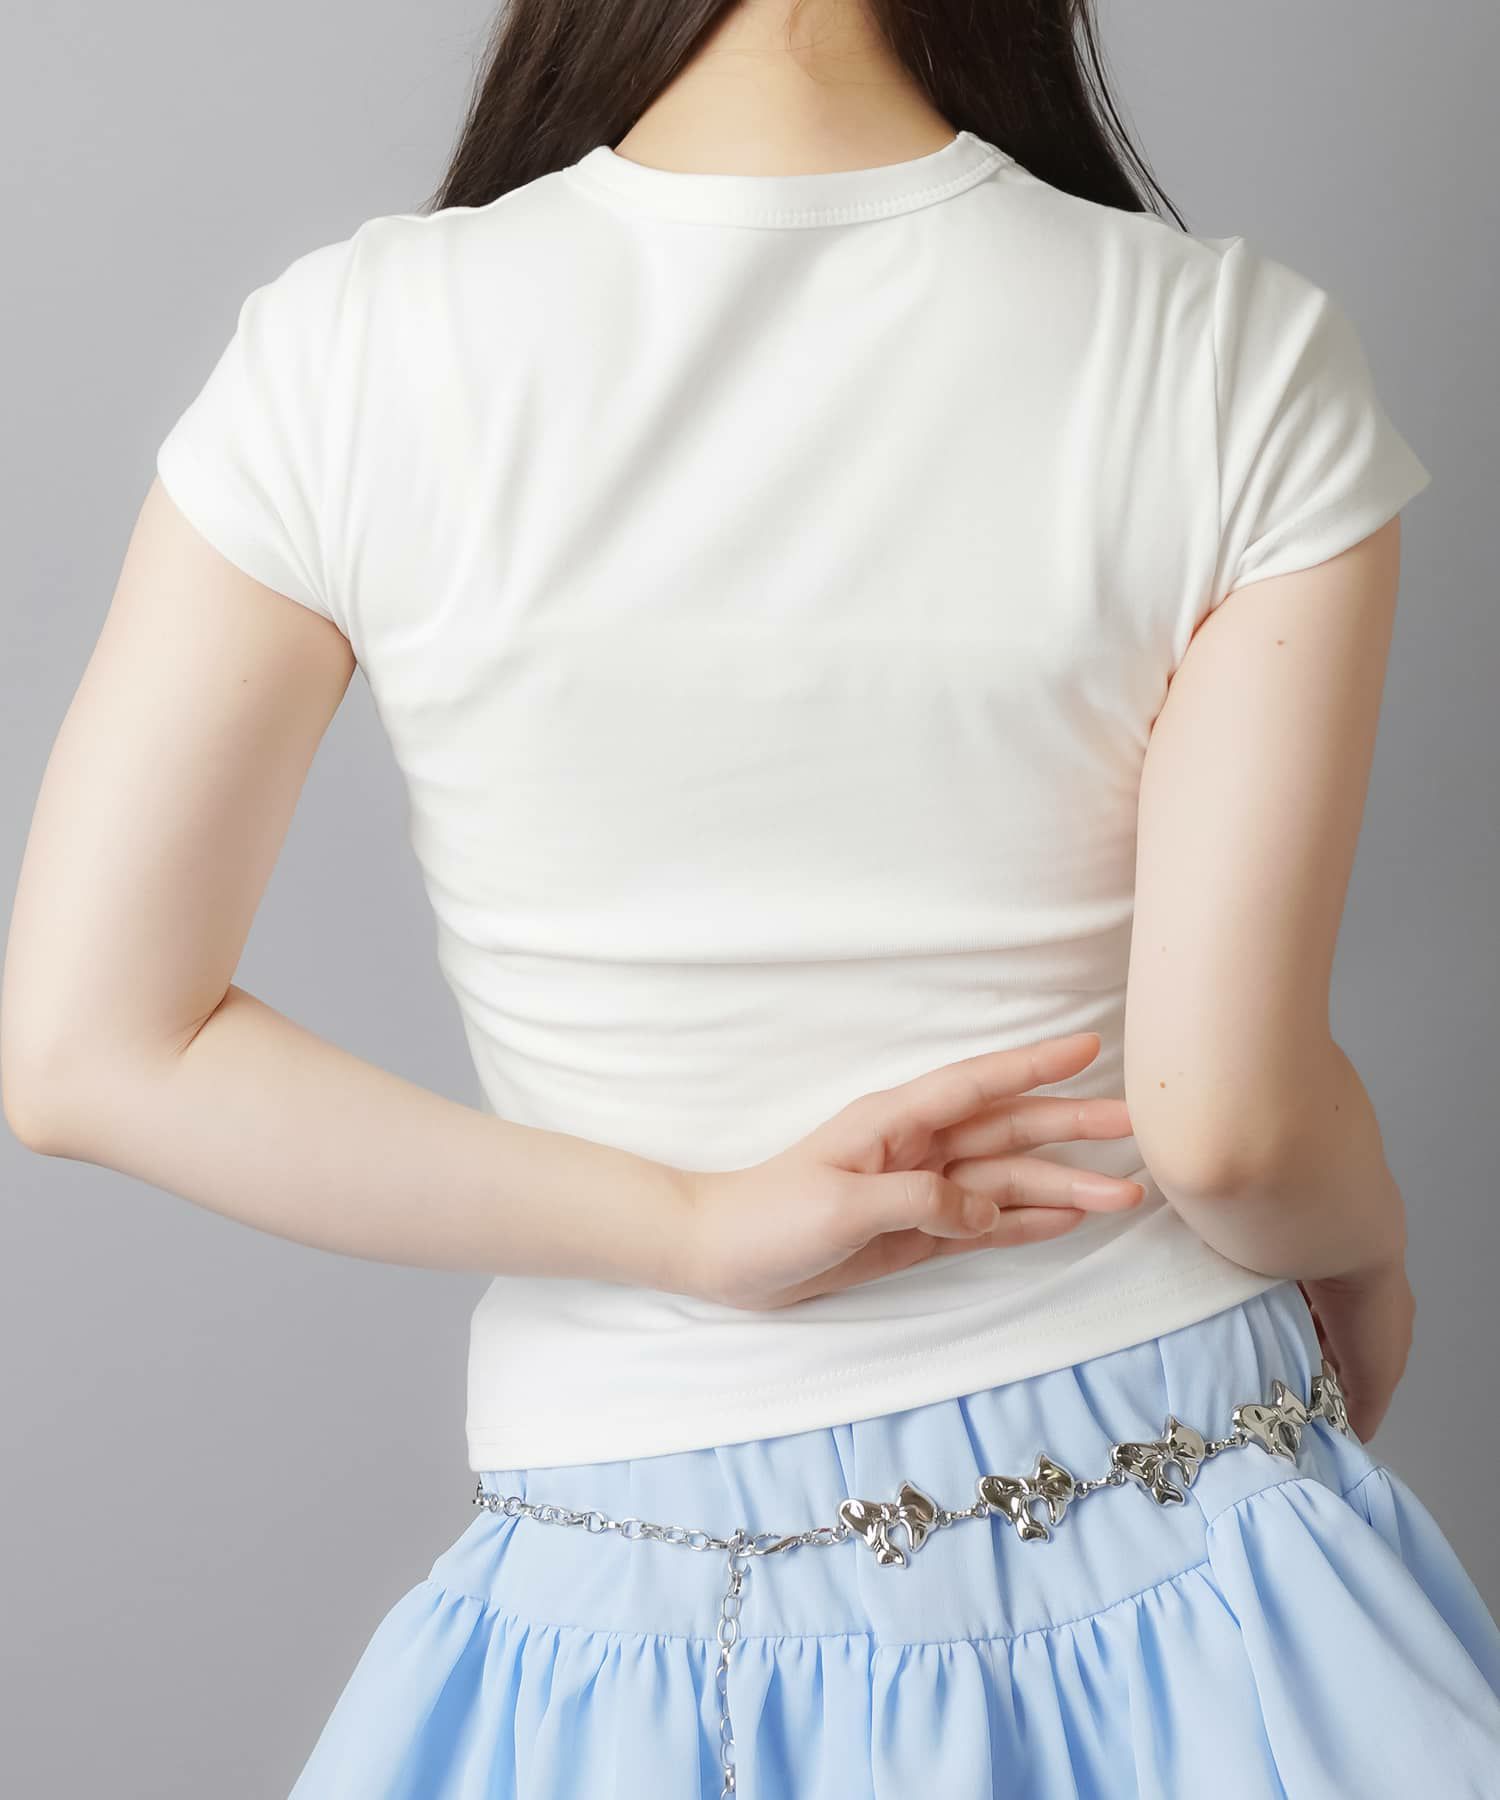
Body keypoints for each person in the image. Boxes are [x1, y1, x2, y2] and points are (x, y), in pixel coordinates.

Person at [5, 0, 1499, 1793]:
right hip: (1189, 1532)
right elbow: (1230, 1129)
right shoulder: (1226, 350)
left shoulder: (346, 353)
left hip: (635, 1596)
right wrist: (1371, 1258)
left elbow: (89, 1049)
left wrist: (693, 1225)